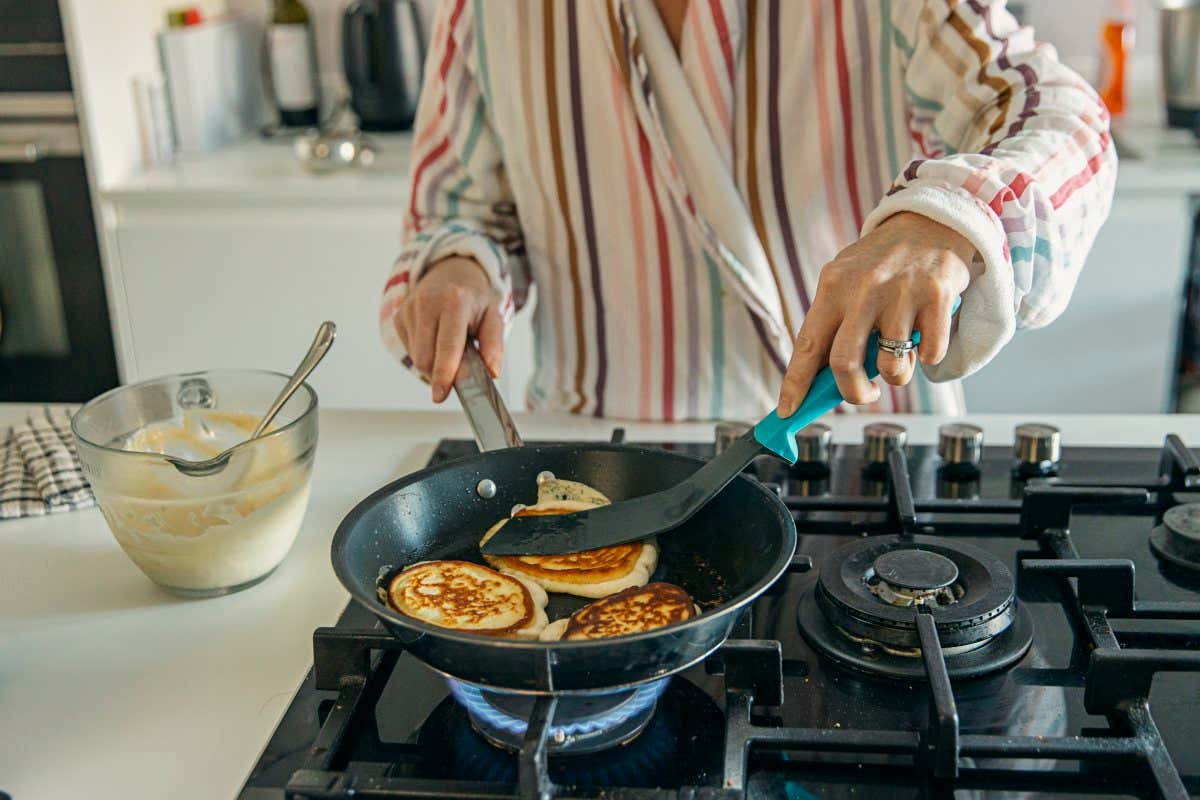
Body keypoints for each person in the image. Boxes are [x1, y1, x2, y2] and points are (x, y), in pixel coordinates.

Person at [380, 0, 1115, 421]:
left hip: (864, 444)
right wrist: (457, 269)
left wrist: (948, 217)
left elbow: (1062, 116)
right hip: (596, 456)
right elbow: (459, 210)